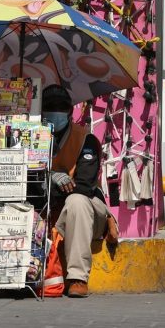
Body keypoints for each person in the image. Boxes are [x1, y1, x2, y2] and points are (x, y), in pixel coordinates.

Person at [41, 84, 117, 298]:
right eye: (49, 107)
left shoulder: (86, 140)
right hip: (49, 209)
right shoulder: (31, 137)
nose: (55, 112)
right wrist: (51, 176)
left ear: (69, 112)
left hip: (87, 212)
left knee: (77, 201)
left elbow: (83, 186)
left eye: (60, 108)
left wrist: (52, 183)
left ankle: (77, 278)